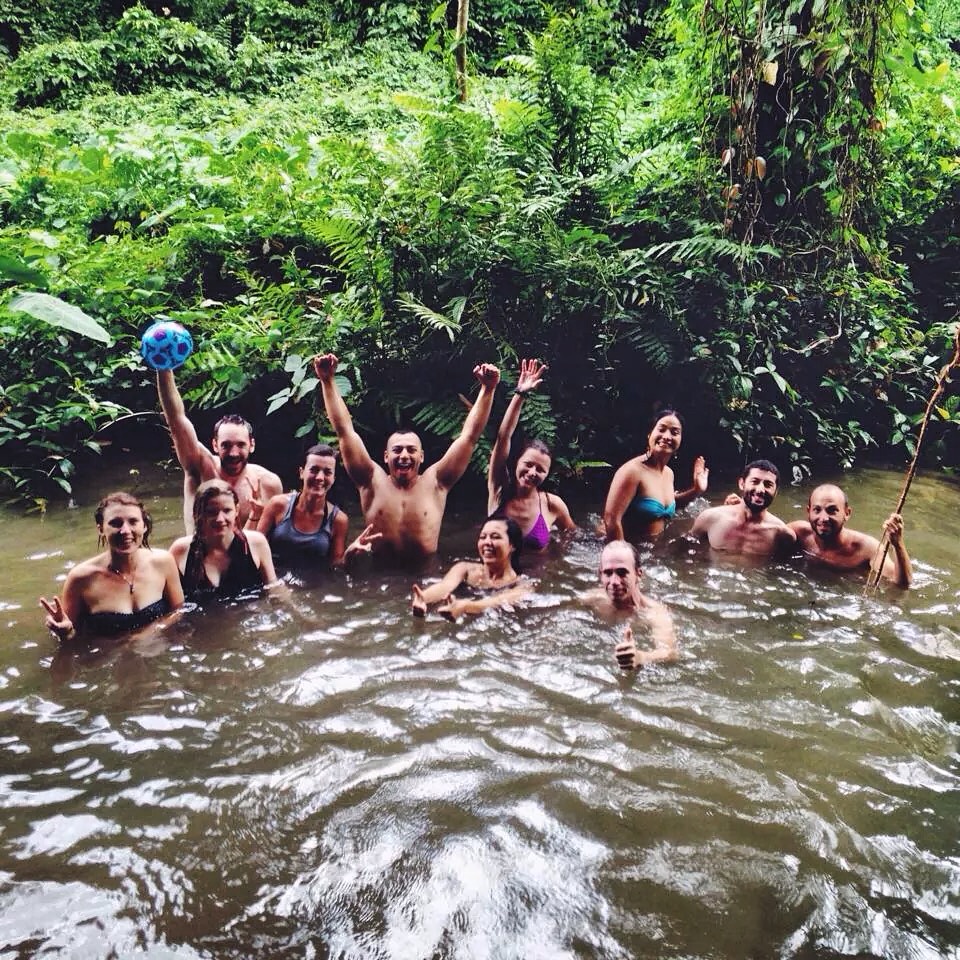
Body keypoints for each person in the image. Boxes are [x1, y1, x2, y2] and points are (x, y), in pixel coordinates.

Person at [313, 352, 501, 562]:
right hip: (379, 578)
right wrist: (327, 381)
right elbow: (344, 431)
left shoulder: (437, 482)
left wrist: (488, 389)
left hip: (425, 574)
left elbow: (469, 437)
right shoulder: (370, 481)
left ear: (421, 457)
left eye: (411, 450)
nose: (404, 455)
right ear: (386, 457)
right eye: (397, 450)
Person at [39, 492, 184, 642]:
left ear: (144, 526)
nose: (125, 531)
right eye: (115, 523)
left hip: (156, 651)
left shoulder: (163, 562)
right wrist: (66, 632)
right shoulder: (81, 578)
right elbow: (71, 638)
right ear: (101, 529)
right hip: (107, 658)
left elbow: (179, 611)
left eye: (133, 522)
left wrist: (150, 632)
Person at [156, 369, 283, 533]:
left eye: (241, 445)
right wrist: (163, 368)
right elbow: (176, 419)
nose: (233, 453)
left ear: (252, 445)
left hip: (246, 556)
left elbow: (272, 538)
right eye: (226, 445)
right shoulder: (201, 467)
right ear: (215, 445)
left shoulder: (268, 483)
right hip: (200, 555)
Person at [486, 358, 575, 551]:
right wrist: (520, 394)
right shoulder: (499, 489)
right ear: (517, 462)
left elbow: (574, 539)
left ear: (547, 474)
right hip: (498, 578)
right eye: (528, 464)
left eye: (541, 469)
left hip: (537, 580)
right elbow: (503, 437)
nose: (533, 472)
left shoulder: (552, 505)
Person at [256, 444, 380, 569]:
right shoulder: (277, 505)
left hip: (312, 585)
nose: (320, 477)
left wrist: (349, 555)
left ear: (333, 479)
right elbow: (254, 547)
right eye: (314, 470)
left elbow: (335, 567)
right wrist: (254, 515)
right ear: (302, 473)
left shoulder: (338, 520)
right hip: (272, 579)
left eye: (327, 472)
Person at [603, 409, 708, 541]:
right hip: (630, 549)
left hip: (654, 551)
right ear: (649, 434)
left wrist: (696, 490)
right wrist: (624, 557)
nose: (667, 436)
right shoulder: (632, 471)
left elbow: (670, 504)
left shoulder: (669, 473)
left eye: (674, 432)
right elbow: (611, 520)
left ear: (680, 440)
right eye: (661, 429)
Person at [171, 479, 279, 601]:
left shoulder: (256, 543)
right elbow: (169, 601)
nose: (220, 519)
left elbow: (275, 589)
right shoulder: (180, 550)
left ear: (237, 510)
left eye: (227, 511)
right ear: (197, 514)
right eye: (211, 512)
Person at [788, 483, 913, 587]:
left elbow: (901, 584)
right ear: (808, 512)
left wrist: (898, 544)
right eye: (817, 510)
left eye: (832, 510)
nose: (824, 518)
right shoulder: (799, 533)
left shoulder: (867, 548)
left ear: (847, 513)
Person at [410, 518, 532, 621]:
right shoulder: (465, 569)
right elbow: (444, 586)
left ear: (512, 546)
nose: (487, 542)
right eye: (483, 537)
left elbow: (498, 601)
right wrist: (424, 598)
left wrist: (465, 606)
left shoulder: (522, 585)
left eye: (495, 537)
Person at [584, 540, 678, 670]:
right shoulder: (594, 599)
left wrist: (640, 657)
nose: (614, 581)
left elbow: (669, 653)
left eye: (622, 573)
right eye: (608, 573)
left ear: (638, 574)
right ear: (600, 574)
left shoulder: (654, 613)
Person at [689, 459, 796, 557]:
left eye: (768, 485)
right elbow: (687, 551)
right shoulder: (710, 518)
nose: (760, 489)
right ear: (742, 483)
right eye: (755, 481)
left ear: (776, 492)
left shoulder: (782, 534)